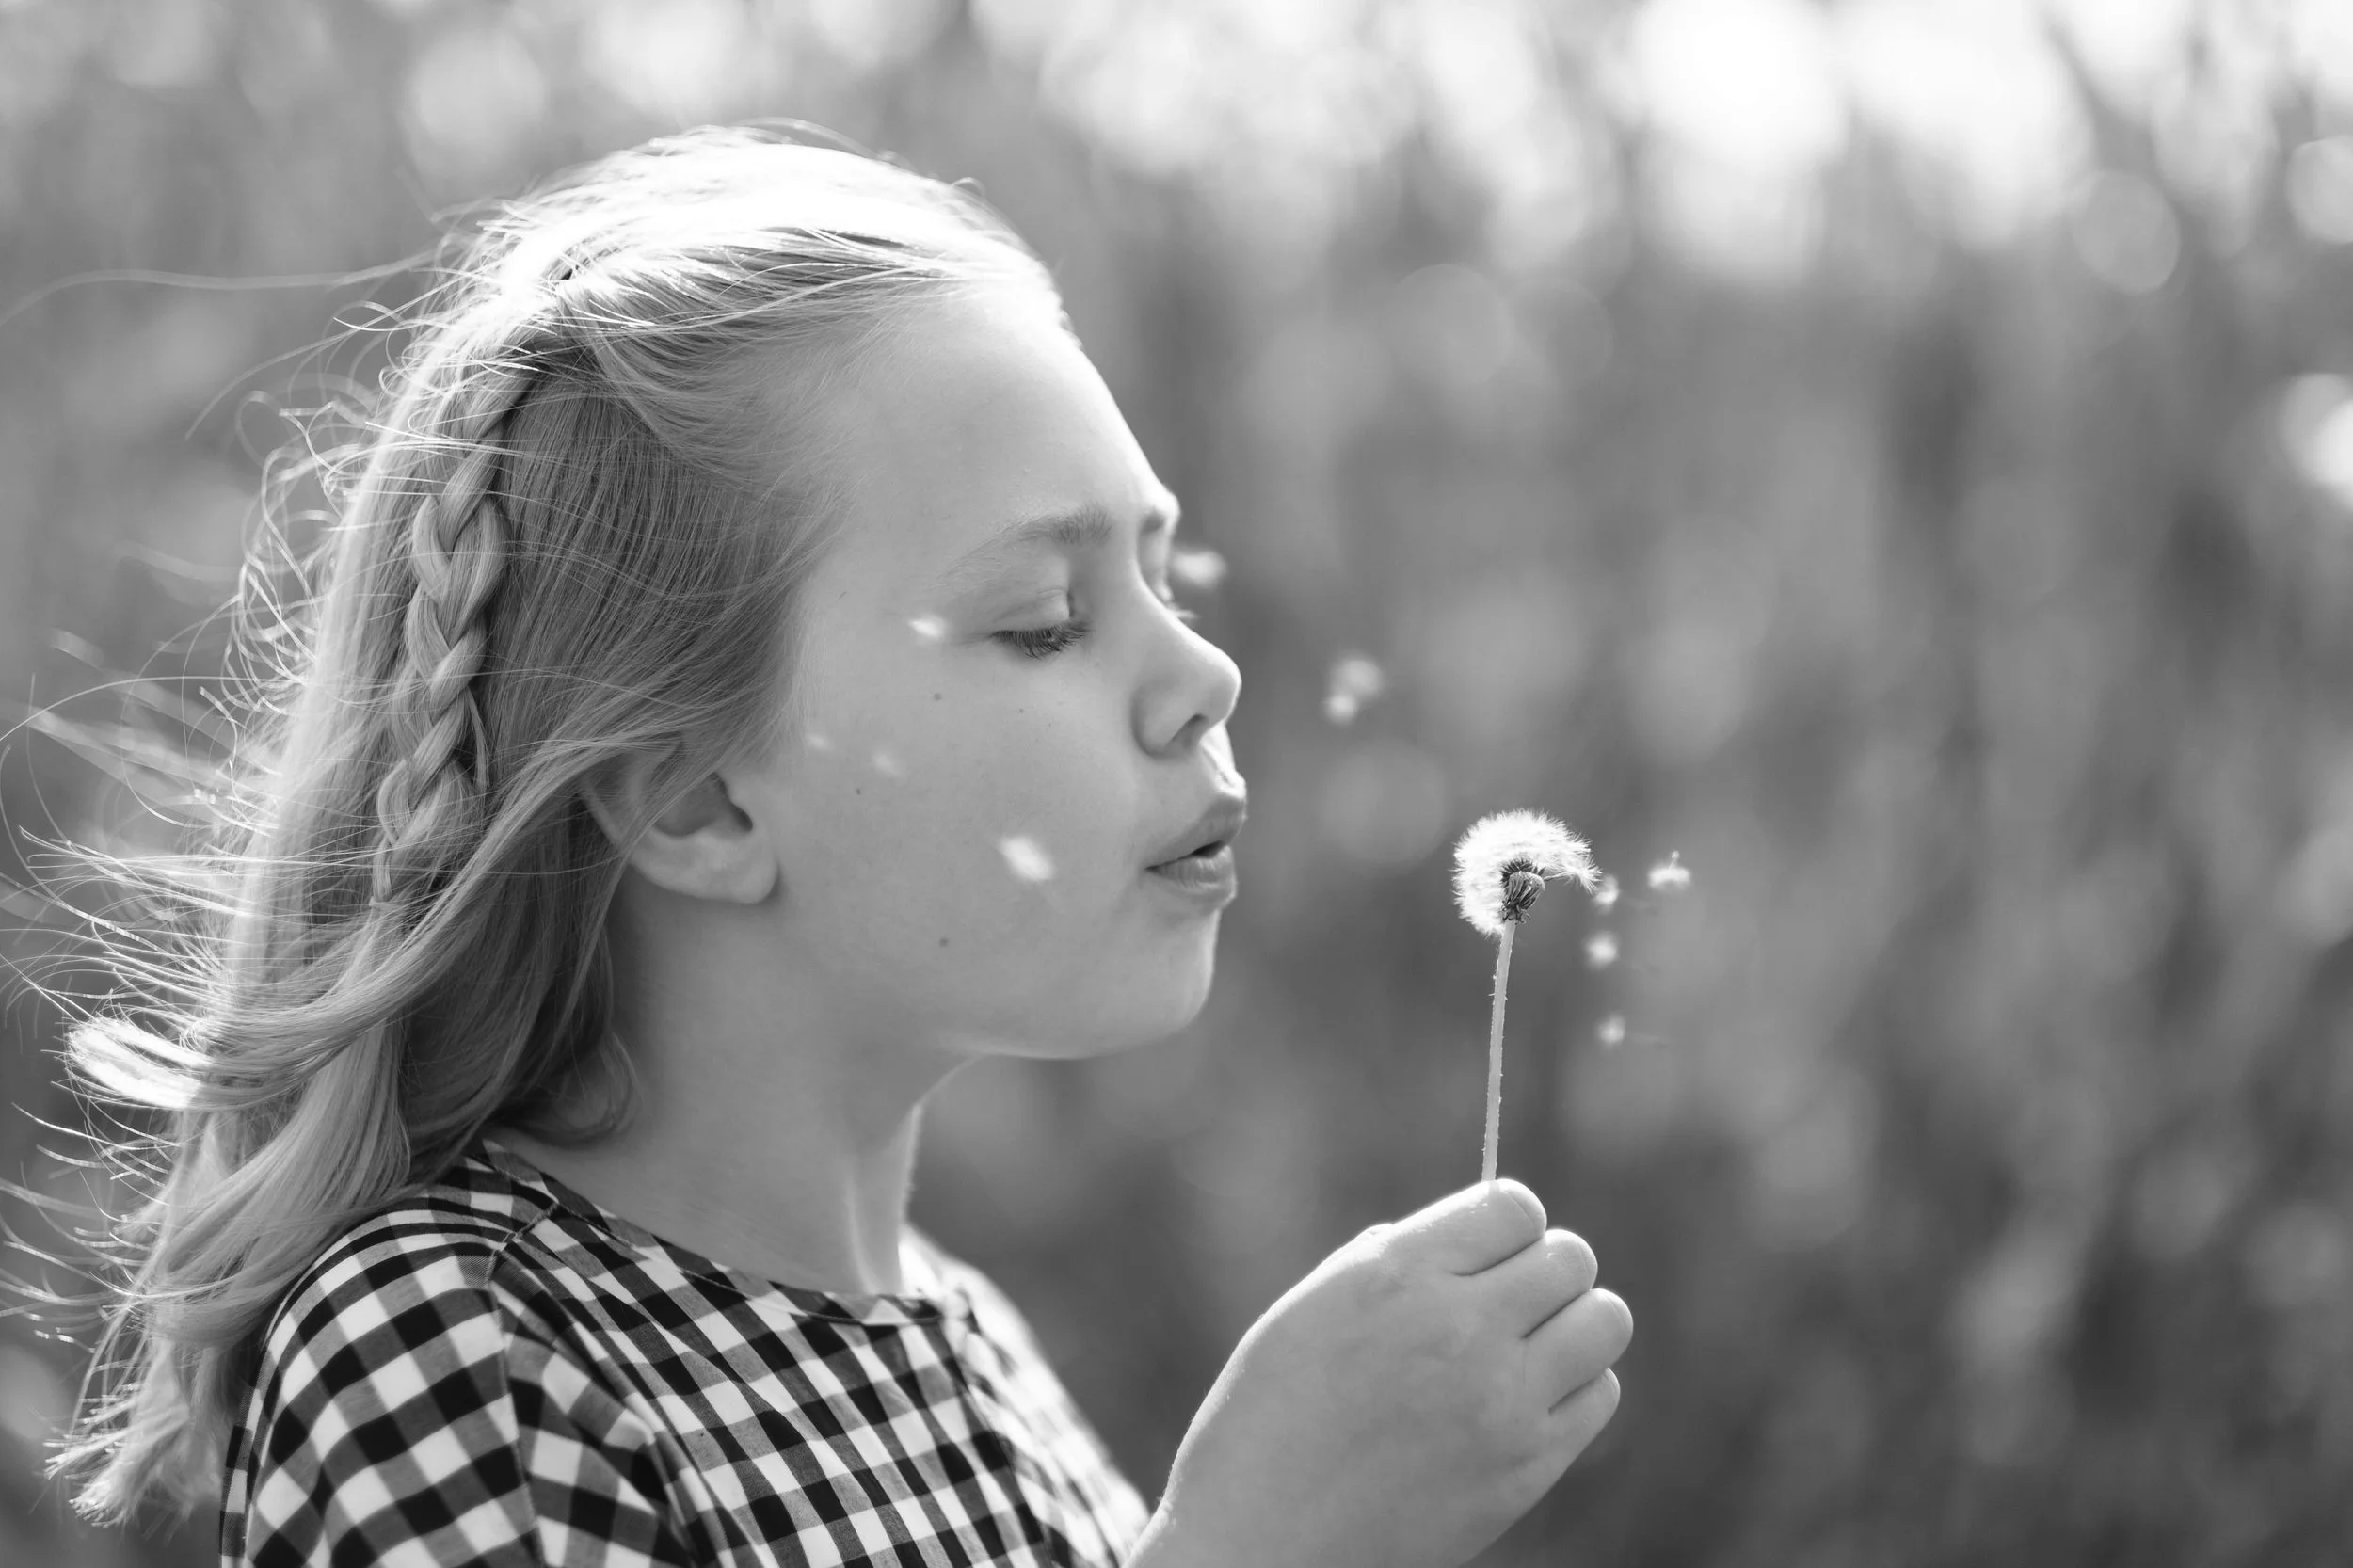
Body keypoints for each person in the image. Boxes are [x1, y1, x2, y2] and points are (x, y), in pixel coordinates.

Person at [49, 125, 1631, 1567]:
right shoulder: (461, 1347)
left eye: (1168, 579)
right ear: (697, 801)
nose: (1205, 676)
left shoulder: (973, 1351)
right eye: (1046, 620)